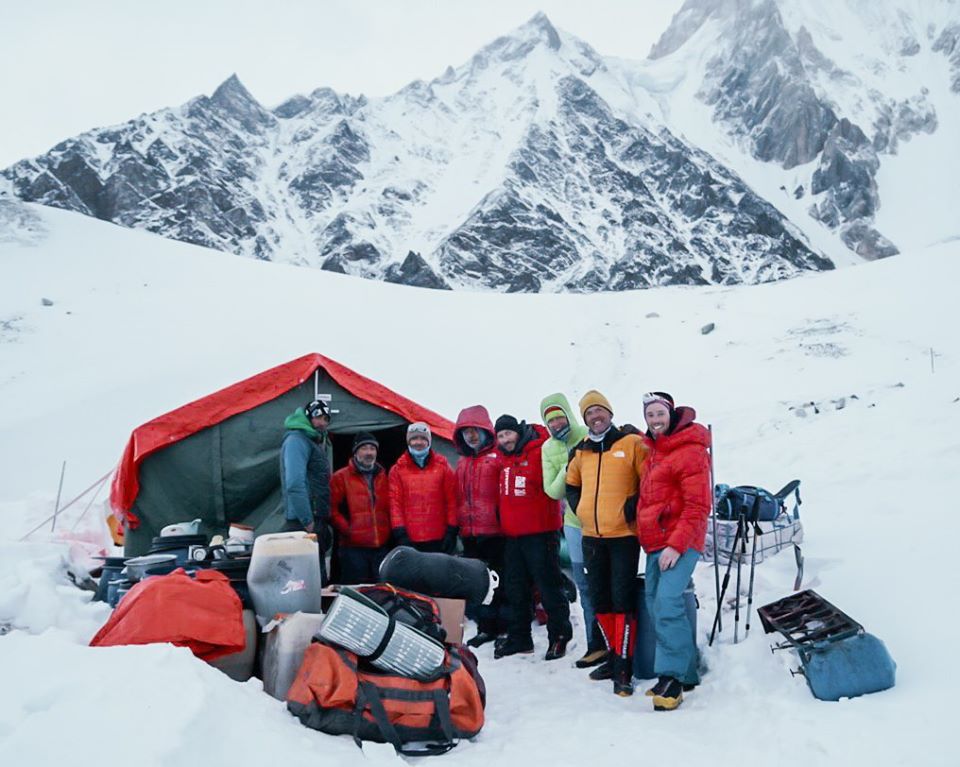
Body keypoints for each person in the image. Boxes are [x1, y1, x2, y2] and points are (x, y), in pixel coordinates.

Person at [566, 390, 647, 696]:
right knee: (600, 600)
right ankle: (614, 657)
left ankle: (624, 668)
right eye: (589, 413)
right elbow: (571, 483)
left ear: (610, 414)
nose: (595, 417)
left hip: (623, 537)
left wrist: (631, 508)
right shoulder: (582, 450)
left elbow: (648, 481)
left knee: (621, 600)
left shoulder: (631, 443)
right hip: (591, 537)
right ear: (584, 419)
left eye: (600, 411)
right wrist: (582, 508)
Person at [637, 392, 711, 711]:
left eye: (659, 414)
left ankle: (674, 678)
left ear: (671, 413)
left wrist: (675, 545)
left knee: (667, 603)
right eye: (649, 415)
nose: (655, 420)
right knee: (655, 604)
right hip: (657, 541)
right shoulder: (653, 451)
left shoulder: (690, 450)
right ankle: (685, 671)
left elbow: (697, 506)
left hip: (681, 541)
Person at [493, 414, 572, 661]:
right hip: (513, 536)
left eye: (508, 433)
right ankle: (520, 638)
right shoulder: (504, 460)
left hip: (541, 533)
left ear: (518, 432)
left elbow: (555, 485)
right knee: (516, 589)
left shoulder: (540, 451)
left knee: (549, 587)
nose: (505, 439)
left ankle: (559, 636)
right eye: (501, 436)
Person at [540, 392, 605, 669]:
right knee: (586, 587)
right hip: (575, 525)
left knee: (608, 586)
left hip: (604, 523)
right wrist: (570, 464)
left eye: (559, 417)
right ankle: (595, 644)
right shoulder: (548, 449)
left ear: (569, 414)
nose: (556, 424)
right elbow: (553, 490)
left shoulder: (588, 434)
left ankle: (615, 643)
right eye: (550, 420)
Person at [453, 405, 506, 648]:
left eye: (475, 430)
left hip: (495, 532)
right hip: (470, 533)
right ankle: (486, 628)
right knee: (479, 584)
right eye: (466, 432)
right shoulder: (462, 463)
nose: (471, 436)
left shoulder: (498, 458)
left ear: (485, 431)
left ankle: (502, 626)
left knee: (500, 582)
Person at [329, 432, 392, 584]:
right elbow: (331, 510)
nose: (369, 453)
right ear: (356, 452)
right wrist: (349, 530)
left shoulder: (384, 476)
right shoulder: (340, 477)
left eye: (372, 448)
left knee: (381, 591)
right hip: (353, 549)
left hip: (380, 547)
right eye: (364, 448)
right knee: (357, 592)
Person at [389, 422, 458, 553]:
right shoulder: (397, 470)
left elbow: (452, 500)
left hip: (439, 538)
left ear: (429, 441)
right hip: (410, 539)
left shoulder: (443, 467)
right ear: (408, 442)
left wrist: (451, 530)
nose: (418, 442)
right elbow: (395, 504)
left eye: (423, 438)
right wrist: (400, 532)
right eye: (414, 438)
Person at [279, 398, 332, 537]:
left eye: (326, 419)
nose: (322, 423)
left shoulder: (313, 441)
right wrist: (308, 522)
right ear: (309, 416)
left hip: (316, 517)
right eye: (318, 417)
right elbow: (295, 483)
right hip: (301, 523)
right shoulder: (297, 440)